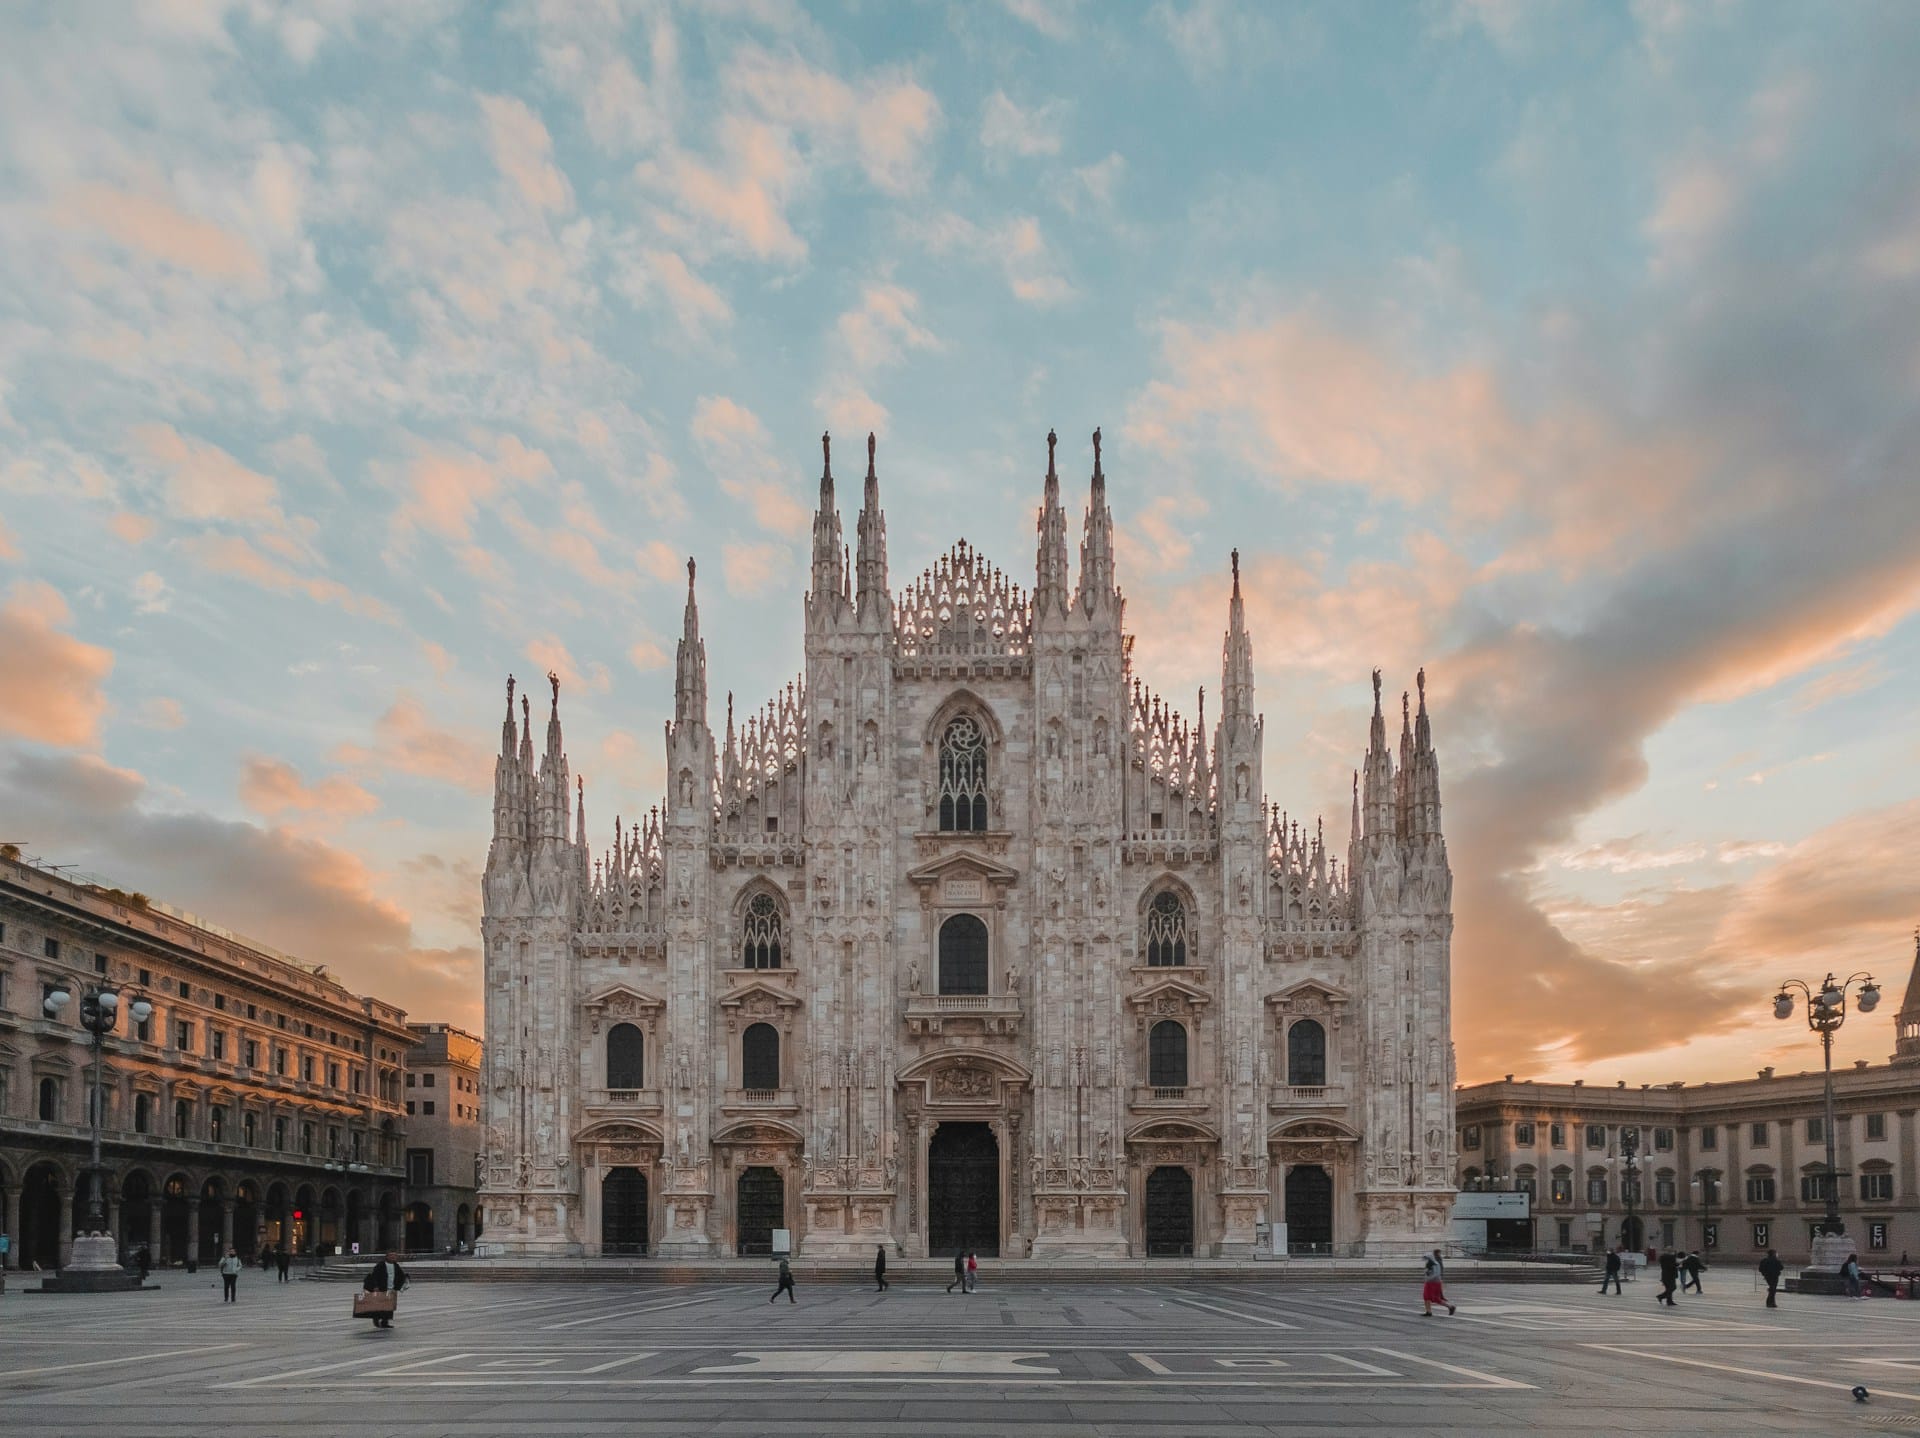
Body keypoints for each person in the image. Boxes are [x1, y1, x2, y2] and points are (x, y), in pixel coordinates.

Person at [362, 1250, 409, 1329]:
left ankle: (385, 1322)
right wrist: (375, 1286)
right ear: (387, 1257)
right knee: (380, 1305)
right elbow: (374, 1276)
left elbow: (401, 1276)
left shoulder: (396, 1266)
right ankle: (376, 1318)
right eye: (391, 1256)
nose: (393, 1257)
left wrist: (399, 1286)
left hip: (391, 1289)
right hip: (381, 1288)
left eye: (394, 1256)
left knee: (389, 1307)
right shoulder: (381, 1265)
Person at [1421, 1249, 1455, 1316]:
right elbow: (1427, 1273)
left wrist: (1428, 1278)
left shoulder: (1435, 1264)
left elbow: (1436, 1274)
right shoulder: (1429, 1264)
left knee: (1433, 1298)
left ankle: (1450, 1307)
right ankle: (1429, 1311)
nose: (1426, 1259)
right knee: (1427, 1297)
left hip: (1433, 1283)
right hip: (1430, 1282)